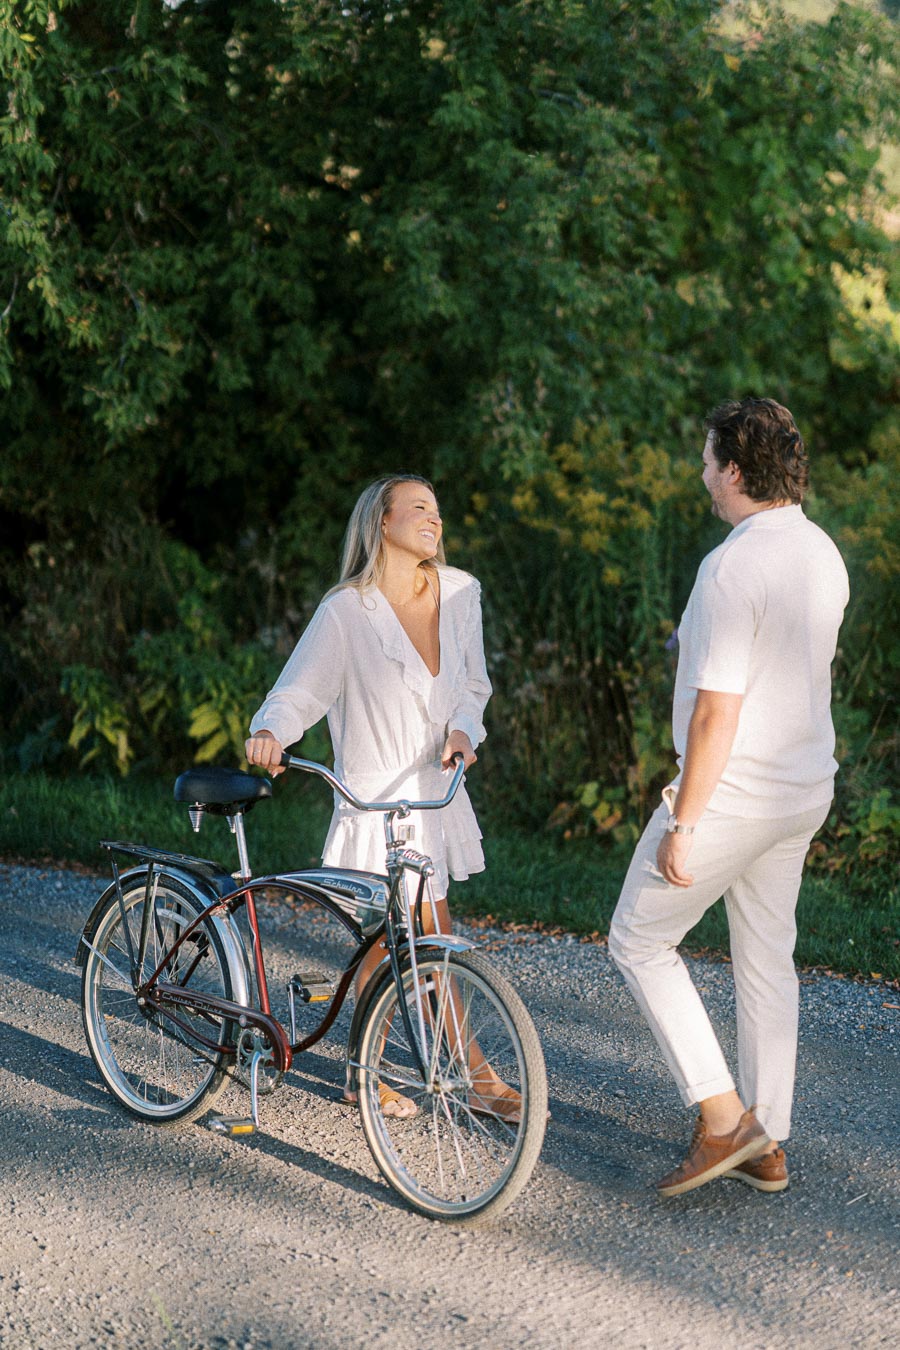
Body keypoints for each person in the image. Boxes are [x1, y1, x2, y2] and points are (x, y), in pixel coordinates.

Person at [608, 397, 849, 1198]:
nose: (703, 474)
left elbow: (717, 710)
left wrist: (684, 821)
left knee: (638, 940)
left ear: (737, 471)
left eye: (709, 460)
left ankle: (723, 1120)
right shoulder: (821, 551)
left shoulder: (733, 565)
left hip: (736, 792)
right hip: (804, 788)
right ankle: (768, 1141)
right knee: (766, 959)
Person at [245, 474, 519, 1121]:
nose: (435, 519)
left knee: (426, 935)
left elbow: (474, 687)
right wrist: (269, 731)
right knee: (390, 943)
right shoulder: (347, 611)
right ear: (382, 524)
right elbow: (300, 691)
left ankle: (393, 1071)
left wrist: (463, 730)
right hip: (373, 798)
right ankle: (445, 1073)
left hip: (431, 794)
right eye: (419, 508)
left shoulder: (461, 594)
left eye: (439, 511)